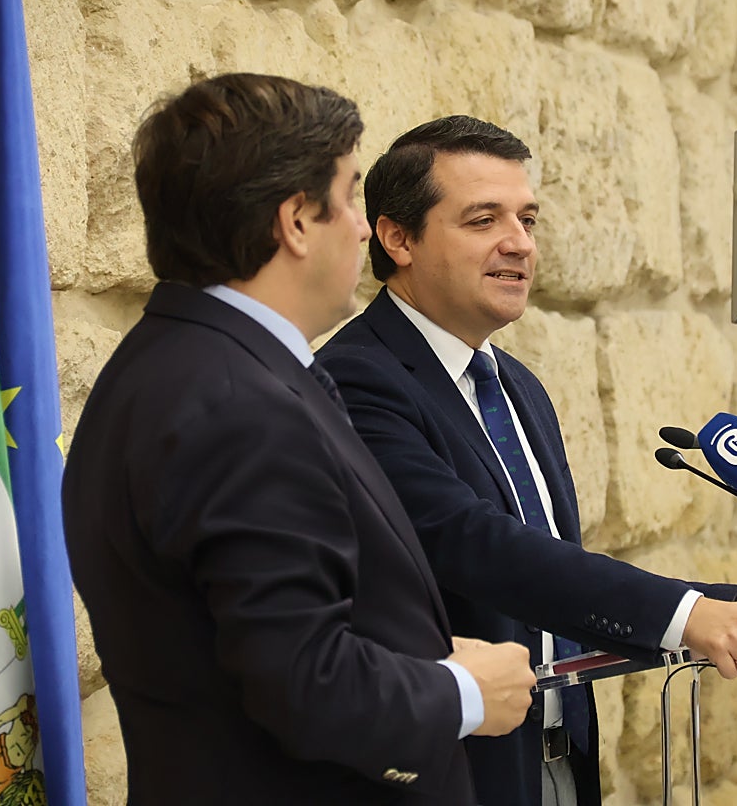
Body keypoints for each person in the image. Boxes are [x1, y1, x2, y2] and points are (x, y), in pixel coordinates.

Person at [62, 77, 536, 805]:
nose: (360, 230)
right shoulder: (237, 406)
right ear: (294, 222)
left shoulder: (176, 362)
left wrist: (424, 656)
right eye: (346, 198)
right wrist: (462, 692)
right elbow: (303, 680)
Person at [317, 115, 737, 806]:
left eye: (526, 219)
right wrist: (686, 614)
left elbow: (554, 572)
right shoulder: (356, 380)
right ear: (398, 238)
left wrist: (728, 606)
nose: (520, 243)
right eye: (483, 220)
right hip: (456, 775)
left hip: (557, 761)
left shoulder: (517, 385)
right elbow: (475, 546)